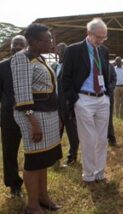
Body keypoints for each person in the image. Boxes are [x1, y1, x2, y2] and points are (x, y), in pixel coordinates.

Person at [11, 23, 62, 214]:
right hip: (32, 116)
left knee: (43, 159)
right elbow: (22, 93)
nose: (50, 42)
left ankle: (43, 197)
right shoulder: (21, 58)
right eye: (46, 39)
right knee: (33, 160)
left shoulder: (39, 58)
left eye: (50, 39)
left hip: (47, 114)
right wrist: (33, 122)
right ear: (32, 41)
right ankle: (32, 205)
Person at [62, 18, 110, 185]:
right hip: (84, 99)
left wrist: (107, 95)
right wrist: (76, 100)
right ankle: (88, 175)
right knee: (88, 138)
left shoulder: (103, 50)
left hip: (102, 98)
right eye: (99, 37)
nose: (102, 40)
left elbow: (107, 73)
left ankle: (100, 173)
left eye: (105, 37)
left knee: (102, 139)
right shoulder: (73, 50)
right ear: (89, 34)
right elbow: (65, 79)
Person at [0, 35, 26, 198]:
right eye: (14, 45)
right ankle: (14, 185)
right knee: (10, 151)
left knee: (34, 151)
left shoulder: (31, 64)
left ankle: (33, 181)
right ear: (10, 47)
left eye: (20, 45)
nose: (16, 47)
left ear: (26, 46)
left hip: (31, 115)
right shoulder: (2, 66)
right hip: (9, 115)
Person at [51, 42, 79, 166]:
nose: (60, 54)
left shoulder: (73, 67)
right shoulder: (55, 66)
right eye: (58, 52)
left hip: (68, 103)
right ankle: (55, 158)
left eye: (63, 52)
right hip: (56, 103)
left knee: (72, 131)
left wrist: (70, 102)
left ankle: (72, 156)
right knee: (57, 131)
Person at [108, 63, 117, 146]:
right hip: (96, 97)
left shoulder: (110, 66)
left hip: (108, 95)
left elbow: (114, 79)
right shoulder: (93, 64)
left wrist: (108, 89)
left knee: (109, 118)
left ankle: (111, 138)